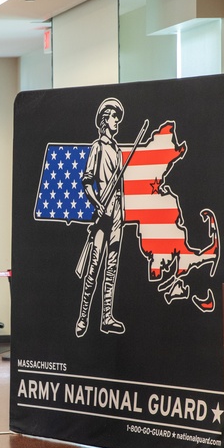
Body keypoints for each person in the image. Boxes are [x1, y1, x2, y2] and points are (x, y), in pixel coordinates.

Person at [76, 97, 127, 337]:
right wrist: (97, 205)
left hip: (117, 214)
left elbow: (120, 188)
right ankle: (83, 317)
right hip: (102, 214)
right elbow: (87, 181)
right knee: (93, 267)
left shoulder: (117, 150)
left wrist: (121, 214)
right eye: (114, 117)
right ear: (105, 119)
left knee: (112, 268)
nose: (117, 121)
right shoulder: (98, 146)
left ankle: (106, 317)